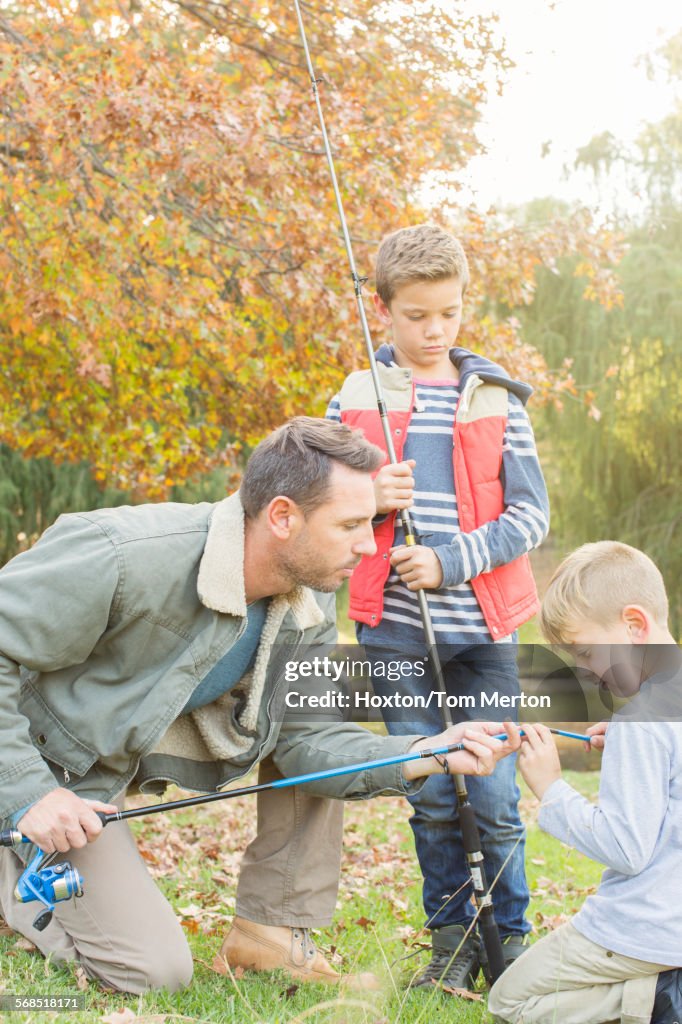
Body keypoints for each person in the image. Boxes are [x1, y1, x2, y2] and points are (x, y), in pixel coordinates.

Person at [0, 416, 517, 995]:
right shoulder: (125, 554)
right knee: (153, 974)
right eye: (349, 524)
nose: (370, 545)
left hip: (106, 769)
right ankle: (11, 862)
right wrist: (27, 794)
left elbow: (307, 741)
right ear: (281, 517)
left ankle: (270, 933)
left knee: (161, 968)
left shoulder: (311, 598)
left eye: (370, 523)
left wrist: (429, 752)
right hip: (39, 766)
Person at [326, 223, 550, 988]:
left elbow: (530, 519)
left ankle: (509, 946)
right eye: (417, 314)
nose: (434, 331)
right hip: (392, 634)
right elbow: (324, 513)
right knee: (426, 792)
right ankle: (451, 948)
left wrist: (450, 560)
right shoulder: (354, 400)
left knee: (489, 795)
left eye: (448, 314)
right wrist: (369, 501)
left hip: (481, 633)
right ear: (383, 309)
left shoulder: (495, 399)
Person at [488, 541, 682, 1024]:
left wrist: (550, 787)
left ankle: (656, 995)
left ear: (634, 626)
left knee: (509, 1001)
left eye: (586, 651)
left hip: (646, 930)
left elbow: (626, 848)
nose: (585, 670)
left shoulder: (643, 718)